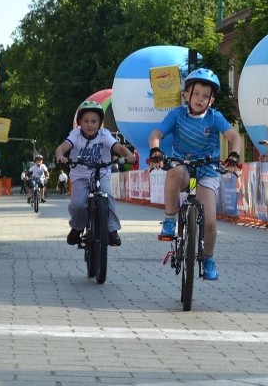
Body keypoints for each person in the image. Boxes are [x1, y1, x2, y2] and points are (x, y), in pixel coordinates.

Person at [147, 68, 242, 281]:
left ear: (212, 100)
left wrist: (234, 155)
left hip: (207, 169)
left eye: (205, 96)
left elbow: (235, 137)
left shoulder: (214, 117)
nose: (200, 99)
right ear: (186, 95)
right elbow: (156, 133)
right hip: (183, 166)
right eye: (196, 94)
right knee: (173, 170)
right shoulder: (177, 115)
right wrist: (155, 149)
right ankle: (170, 220)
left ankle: (208, 259)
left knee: (209, 222)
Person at [55, 101, 135, 246]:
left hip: (101, 173)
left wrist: (129, 154)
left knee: (107, 195)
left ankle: (112, 230)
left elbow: (119, 148)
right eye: (85, 121)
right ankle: (77, 228)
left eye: (94, 121)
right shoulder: (75, 134)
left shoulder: (104, 135)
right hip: (80, 176)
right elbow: (61, 148)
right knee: (78, 204)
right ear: (79, 122)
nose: (89, 125)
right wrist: (60, 155)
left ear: (100, 123)